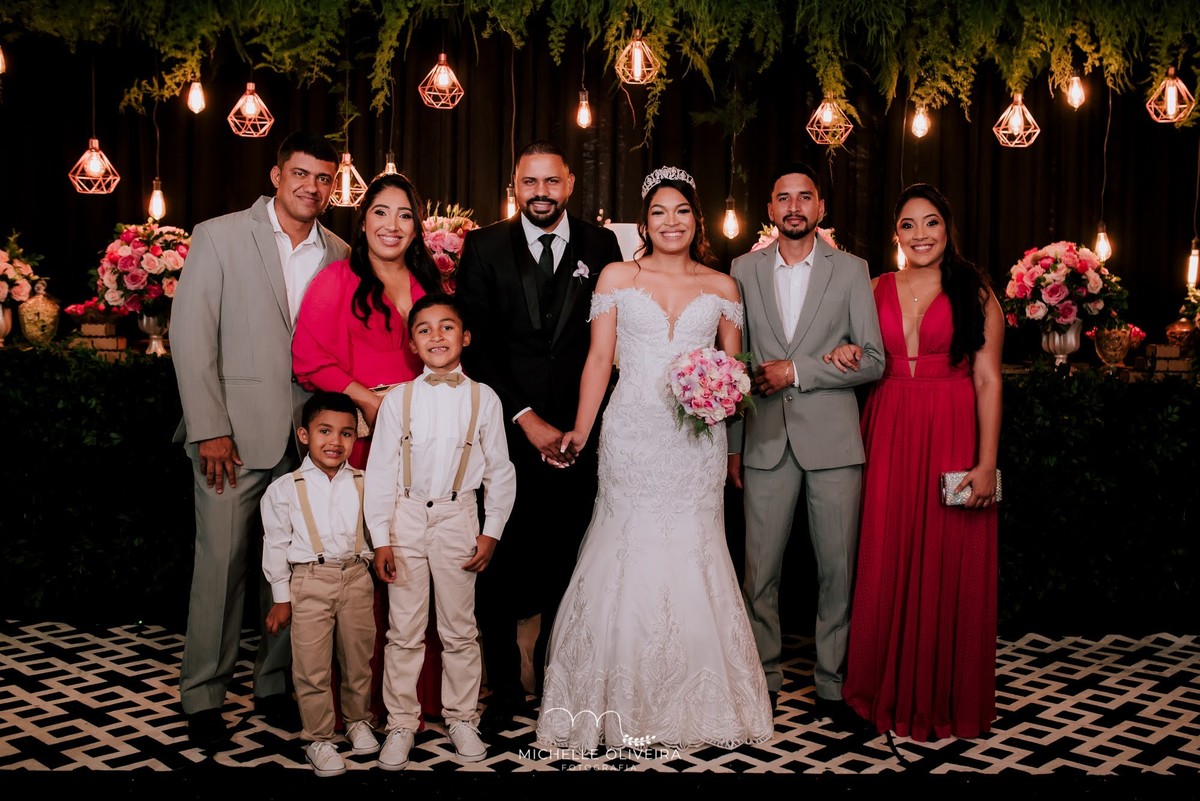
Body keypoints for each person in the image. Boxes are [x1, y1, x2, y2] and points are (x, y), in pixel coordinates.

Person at [534, 166, 772, 751]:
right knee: (625, 543)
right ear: (644, 222)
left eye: (682, 211)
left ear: (697, 220)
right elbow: (598, 360)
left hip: (695, 442)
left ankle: (698, 701)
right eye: (659, 212)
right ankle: (615, 698)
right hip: (631, 434)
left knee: (695, 546)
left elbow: (734, 372)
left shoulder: (723, 288)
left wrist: (721, 399)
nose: (671, 222)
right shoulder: (618, 276)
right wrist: (581, 430)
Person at [172, 132, 348, 746]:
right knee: (220, 569)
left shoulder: (339, 252)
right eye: (300, 174)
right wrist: (210, 428)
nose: (311, 187)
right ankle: (203, 695)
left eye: (323, 178)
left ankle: (274, 686)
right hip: (233, 437)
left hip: (306, 441)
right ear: (277, 175)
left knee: (296, 570)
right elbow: (191, 337)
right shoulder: (219, 236)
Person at [456, 140, 623, 732]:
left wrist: (580, 427)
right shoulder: (483, 247)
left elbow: (608, 342)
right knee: (500, 564)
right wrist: (526, 418)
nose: (541, 193)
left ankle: (558, 679)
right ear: (514, 185)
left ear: (570, 184)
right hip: (508, 432)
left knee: (568, 560)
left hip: (581, 434)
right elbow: (477, 349)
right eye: (530, 182)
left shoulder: (601, 246)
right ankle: (503, 688)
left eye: (552, 182)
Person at [832, 183, 1003, 741]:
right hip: (886, 429)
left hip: (951, 430)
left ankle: (941, 694)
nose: (920, 234)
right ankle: (879, 685)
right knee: (884, 552)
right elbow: (854, 351)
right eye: (908, 224)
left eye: (931, 222)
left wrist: (986, 463)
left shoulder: (976, 293)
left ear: (947, 229)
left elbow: (988, 379)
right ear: (896, 234)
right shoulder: (873, 286)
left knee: (946, 555)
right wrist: (845, 350)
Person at [727, 162, 884, 727]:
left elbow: (874, 360)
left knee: (837, 571)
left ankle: (832, 684)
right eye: (783, 197)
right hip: (765, 442)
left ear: (821, 208)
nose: (794, 207)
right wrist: (734, 447)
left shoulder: (853, 271)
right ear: (769, 209)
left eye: (805, 197)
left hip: (834, 446)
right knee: (759, 574)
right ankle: (763, 679)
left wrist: (798, 371)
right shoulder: (742, 270)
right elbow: (735, 366)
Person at [291, 172, 444, 724]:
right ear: (364, 220)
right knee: (363, 575)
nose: (392, 225)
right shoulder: (337, 280)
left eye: (404, 215)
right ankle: (358, 706)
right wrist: (366, 399)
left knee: (413, 568)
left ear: (417, 227)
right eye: (381, 212)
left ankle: (412, 701)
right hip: (362, 444)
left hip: (421, 448)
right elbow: (308, 357)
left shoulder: (428, 283)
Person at [364, 293, 517, 768]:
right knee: (404, 629)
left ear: (465, 337)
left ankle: (462, 717)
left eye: (447, 327)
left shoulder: (484, 398)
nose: (436, 336)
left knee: (460, 628)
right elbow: (381, 472)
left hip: (458, 516)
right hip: (406, 515)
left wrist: (491, 530)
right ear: (412, 344)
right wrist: (381, 538)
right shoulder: (398, 400)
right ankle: (401, 722)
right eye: (424, 329)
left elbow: (500, 471)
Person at [261, 391, 378, 777]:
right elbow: (276, 545)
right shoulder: (284, 489)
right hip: (309, 580)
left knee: (358, 659)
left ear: (355, 438)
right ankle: (318, 738)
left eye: (346, 433)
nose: (335, 441)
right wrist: (281, 598)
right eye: (324, 431)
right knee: (311, 666)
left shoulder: (365, 482)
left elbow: (377, 531)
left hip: (356, 576)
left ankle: (358, 720)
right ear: (304, 435)